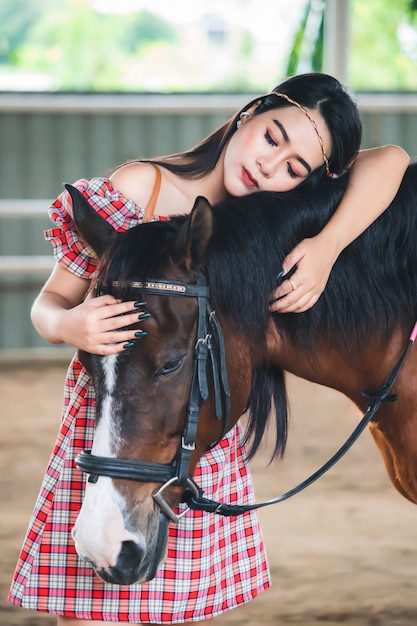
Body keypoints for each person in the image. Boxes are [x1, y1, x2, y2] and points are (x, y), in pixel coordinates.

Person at [9, 73, 408, 626]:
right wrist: (68, 325)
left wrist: (326, 246)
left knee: (175, 607)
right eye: (273, 137)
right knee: (92, 605)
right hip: (114, 422)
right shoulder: (141, 188)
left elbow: (390, 159)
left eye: (296, 168)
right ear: (249, 114)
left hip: (197, 433)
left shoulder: (255, 228)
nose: (272, 166)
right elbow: (47, 303)